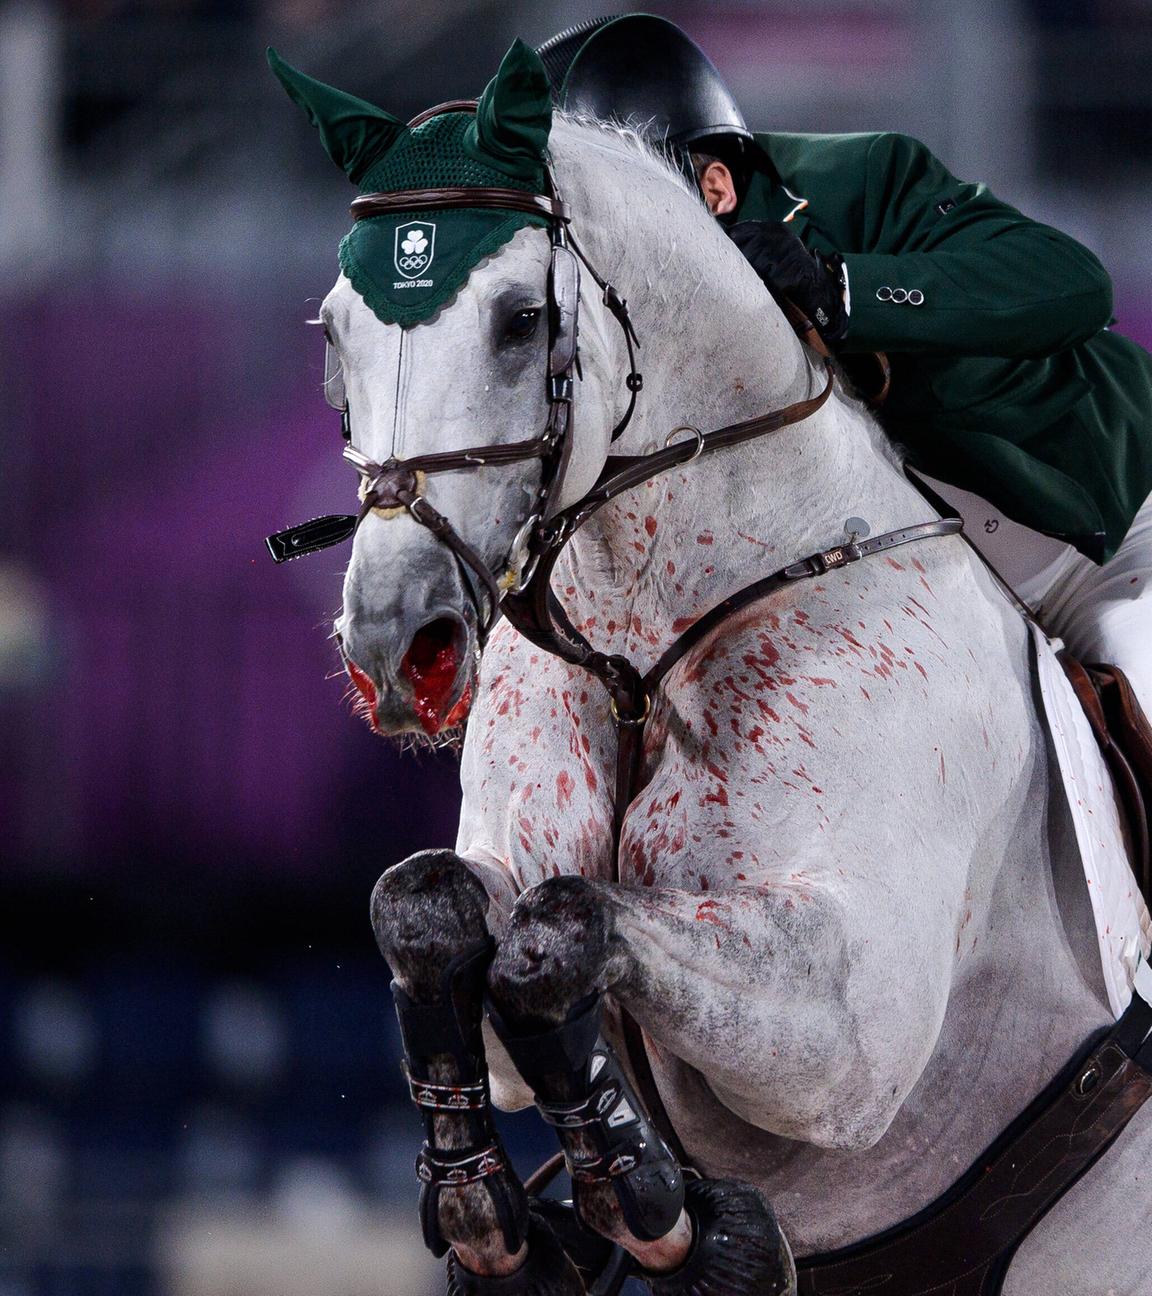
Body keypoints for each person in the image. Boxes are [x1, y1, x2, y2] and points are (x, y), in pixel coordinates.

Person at [536, 14, 1152, 708]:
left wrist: (844, 289)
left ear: (715, 190)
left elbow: (1073, 283)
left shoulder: (862, 179)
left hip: (1108, 542)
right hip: (938, 596)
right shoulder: (622, 334)